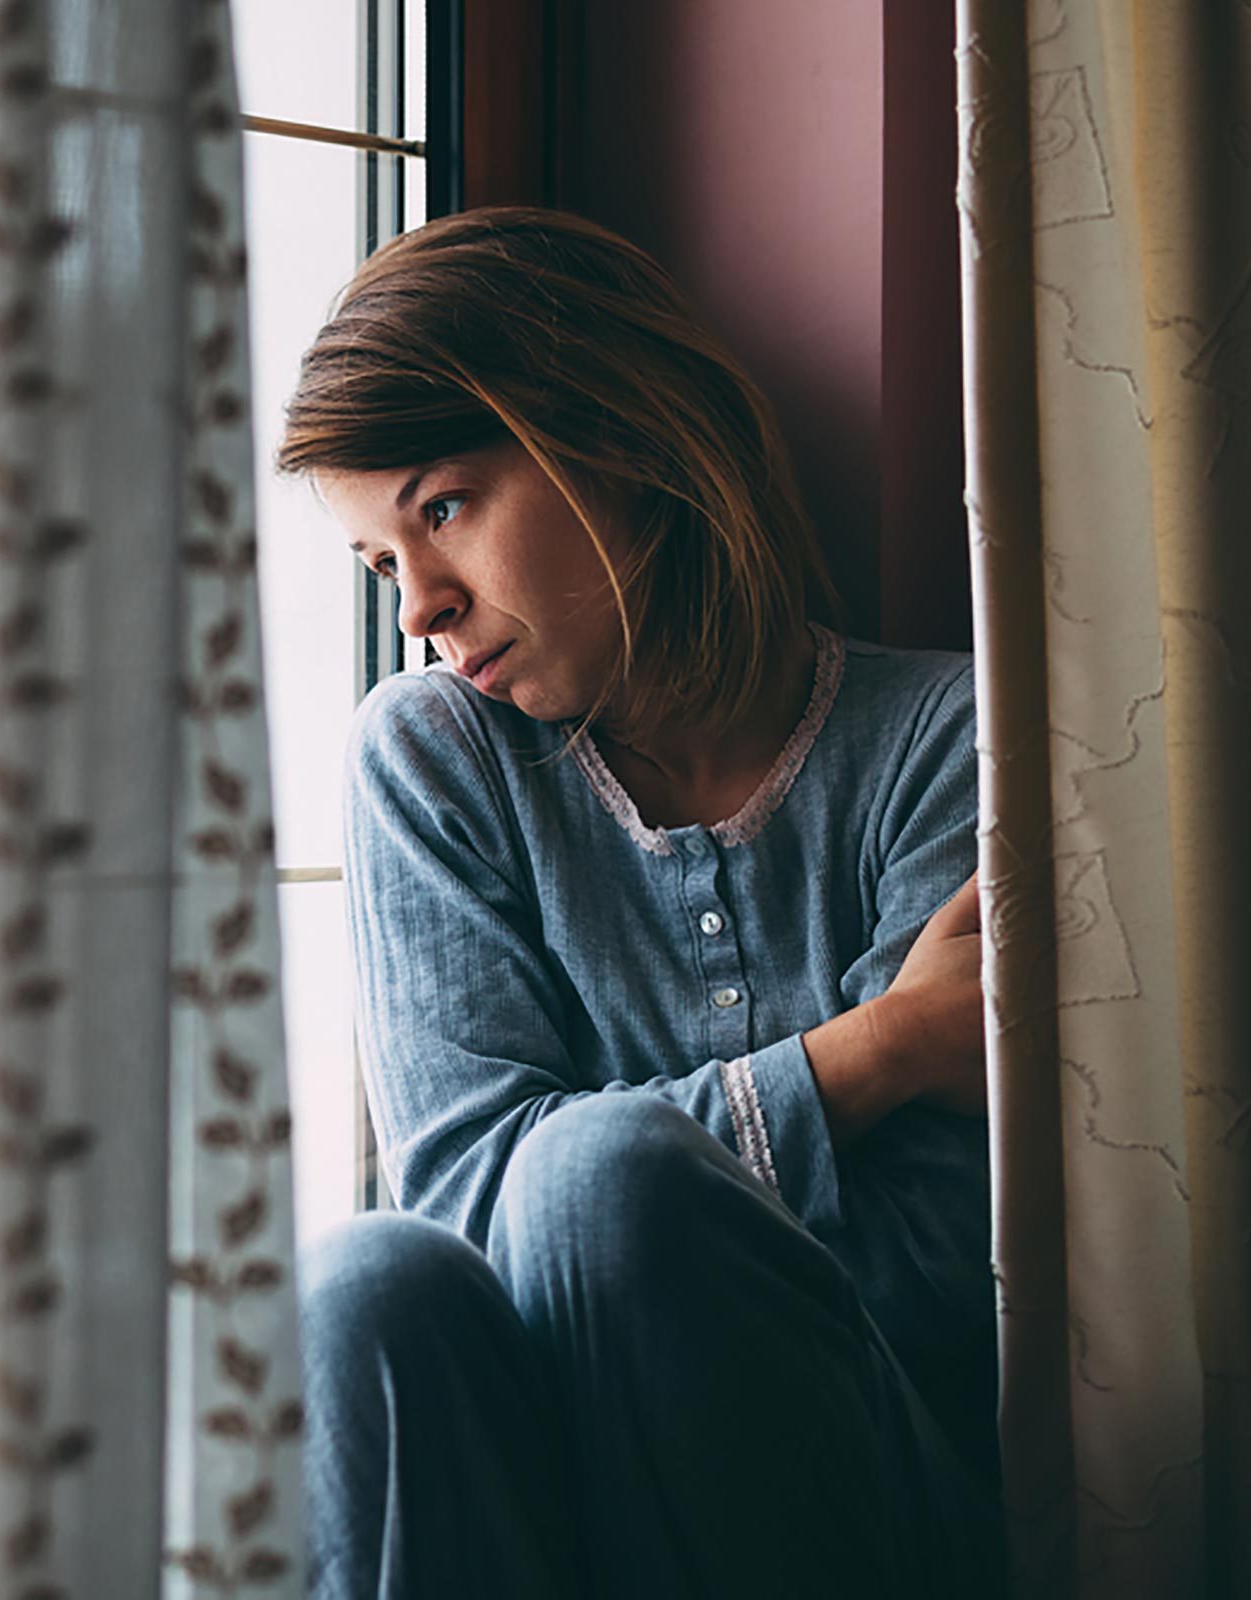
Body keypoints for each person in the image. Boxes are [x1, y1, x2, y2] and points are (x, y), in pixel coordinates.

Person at [276, 207, 1002, 1598]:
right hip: (529, 1515)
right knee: (359, 1288)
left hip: (863, 1487)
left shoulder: (945, 744)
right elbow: (475, 1202)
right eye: (381, 564)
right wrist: (877, 1049)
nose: (421, 604)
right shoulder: (431, 759)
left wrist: (648, 1182)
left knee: (599, 1174)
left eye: (443, 507)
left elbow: (939, 1276)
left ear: (620, 437)